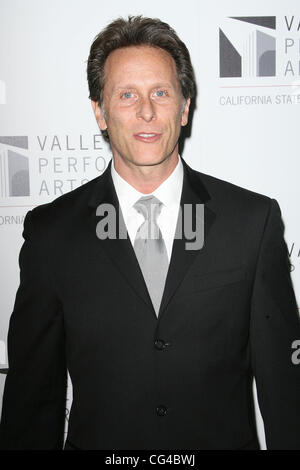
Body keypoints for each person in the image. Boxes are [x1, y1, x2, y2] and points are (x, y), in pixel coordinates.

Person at [0, 15, 299, 451]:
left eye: (160, 92)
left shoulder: (252, 222)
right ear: (99, 112)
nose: (146, 111)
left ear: (184, 106)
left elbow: (286, 394)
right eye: (127, 95)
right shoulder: (52, 235)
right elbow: (32, 401)